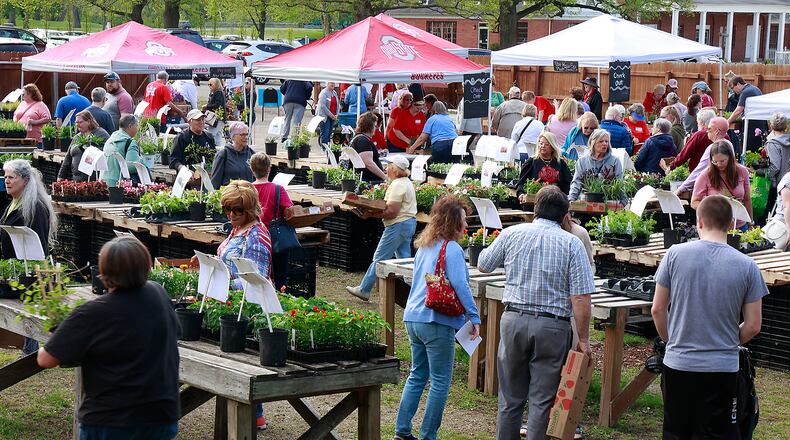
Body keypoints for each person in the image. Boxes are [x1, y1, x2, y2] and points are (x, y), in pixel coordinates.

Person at [478, 185, 594, 440]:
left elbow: (484, 264)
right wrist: (583, 339)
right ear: (565, 215)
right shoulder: (572, 244)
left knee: (509, 399)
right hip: (552, 326)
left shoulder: (512, 234)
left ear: (534, 209)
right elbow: (581, 297)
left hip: (514, 320)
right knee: (542, 402)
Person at [37, 237, 180, 440]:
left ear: (103, 273)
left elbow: (46, 359)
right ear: (146, 266)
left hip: (111, 422)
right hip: (161, 417)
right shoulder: (158, 293)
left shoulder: (92, 312)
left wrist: (58, 335)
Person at [651, 195, 767, 440]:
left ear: (698, 222)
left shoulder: (674, 254)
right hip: (722, 366)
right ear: (730, 223)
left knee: (676, 432)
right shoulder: (747, 266)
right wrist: (729, 341)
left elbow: (658, 309)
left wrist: (671, 341)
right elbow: (754, 324)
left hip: (679, 362)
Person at [393, 196, 481, 440]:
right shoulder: (451, 248)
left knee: (418, 374)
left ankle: (402, 432)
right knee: (440, 381)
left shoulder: (424, 245)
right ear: (453, 222)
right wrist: (474, 316)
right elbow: (461, 286)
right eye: (463, 221)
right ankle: (428, 436)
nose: (466, 227)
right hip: (436, 320)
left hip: (413, 317)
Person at [2, 159, 56, 355]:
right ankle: (29, 350)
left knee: (29, 309)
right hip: (14, 268)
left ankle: (31, 351)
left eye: (11, 177)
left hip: (29, 271)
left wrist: (34, 272)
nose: (6, 181)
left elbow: (39, 244)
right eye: (5, 176)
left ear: (24, 180)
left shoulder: (36, 207)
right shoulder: (14, 203)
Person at [346, 156, 416, 301]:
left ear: (395, 169)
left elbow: (391, 212)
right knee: (405, 261)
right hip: (407, 223)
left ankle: (364, 289)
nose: (386, 168)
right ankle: (414, 293)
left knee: (380, 258)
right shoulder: (405, 182)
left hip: (398, 225)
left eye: (389, 165)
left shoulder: (398, 185)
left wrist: (370, 213)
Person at [250, 153, 294, 291]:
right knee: (280, 275)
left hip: (253, 237)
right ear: (269, 168)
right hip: (274, 237)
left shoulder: (248, 189)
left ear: (252, 169)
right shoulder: (277, 189)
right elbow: (289, 211)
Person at [691, 140, 752, 229]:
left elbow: (747, 199)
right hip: (716, 226)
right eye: (715, 162)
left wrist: (750, 222)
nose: (719, 165)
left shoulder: (742, 171)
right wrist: (713, 210)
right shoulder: (705, 175)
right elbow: (694, 202)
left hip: (739, 224)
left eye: (722, 161)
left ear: (730, 158)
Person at [675, 117, 730, 197]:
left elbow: (699, 170)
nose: (707, 131)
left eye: (709, 129)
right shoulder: (728, 143)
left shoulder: (713, 148)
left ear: (717, 131)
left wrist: (680, 189)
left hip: (715, 188)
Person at [568, 129, 624, 202]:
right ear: (593, 143)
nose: (604, 144)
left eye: (606, 141)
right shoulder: (582, 161)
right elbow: (577, 182)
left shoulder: (615, 161)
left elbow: (620, 182)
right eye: (601, 141)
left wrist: (623, 202)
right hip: (586, 200)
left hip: (608, 201)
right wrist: (571, 199)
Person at [57, 110, 110, 182]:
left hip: (94, 180)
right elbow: (68, 157)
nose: (77, 125)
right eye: (76, 122)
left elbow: (108, 151)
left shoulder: (101, 134)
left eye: (80, 122)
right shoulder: (76, 137)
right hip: (77, 179)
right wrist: (61, 176)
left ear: (88, 121)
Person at [103, 114, 143, 187]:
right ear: (130, 126)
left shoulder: (110, 139)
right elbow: (132, 166)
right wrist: (143, 161)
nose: (137, 128)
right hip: (119, 185)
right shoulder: (130, 142)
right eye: (136, 126)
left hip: (103, 181)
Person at [727, 76, 765, 151]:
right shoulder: (755, 88)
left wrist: (727, 122)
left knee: (749, 149)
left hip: (752, 125)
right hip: (761, 124)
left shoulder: (745, 92)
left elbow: (738, 110)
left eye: (732, 88)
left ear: (738, 84)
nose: (733, 91)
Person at [211, 122, 254, 188]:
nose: (246, 137)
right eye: (242, 135)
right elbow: (215, 182)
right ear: (233, 137)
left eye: (247, 134)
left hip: (248, 195)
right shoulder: (223, 155)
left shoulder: (251, 154)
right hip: (230, 195)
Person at [351, 112, 386, 181]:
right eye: (375, 126)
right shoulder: (363, 140)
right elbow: (368, 163)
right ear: (369, 126)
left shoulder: (359, 138)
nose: (376, 128)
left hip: (367, 178)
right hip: (369, 180)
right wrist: (384, 177)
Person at [766, 112, 790, 187]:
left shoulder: (772, 143)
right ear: (786, 126)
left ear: (771, 126)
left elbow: (776, 166)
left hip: (780, 184)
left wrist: (765, 173)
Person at [203, 78, 227, 146]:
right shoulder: (216, 93)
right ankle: (219, 151)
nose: (209, 86)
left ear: (216, 84)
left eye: (211, 84)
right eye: (208, 84)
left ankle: (210, 150)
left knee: (210, 134)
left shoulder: (218, 93)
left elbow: (217, 104)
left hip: (217, 118)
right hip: (220, 118)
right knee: (218, 136)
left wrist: (207, 106)